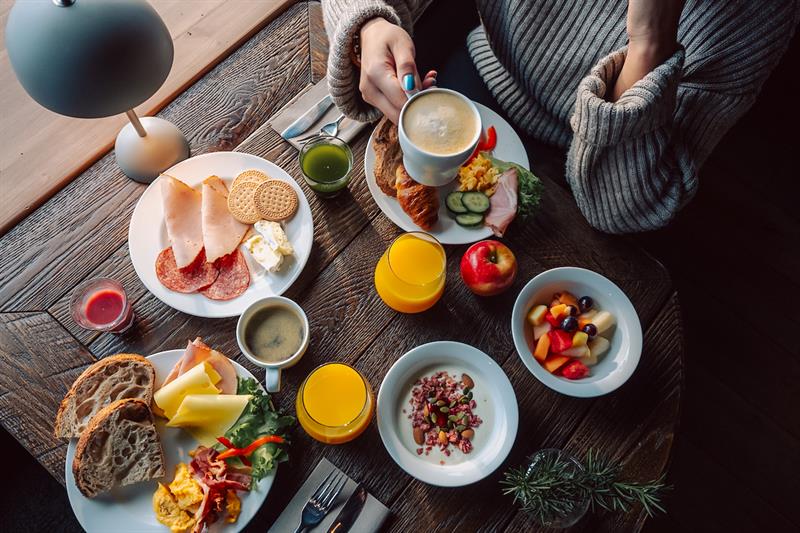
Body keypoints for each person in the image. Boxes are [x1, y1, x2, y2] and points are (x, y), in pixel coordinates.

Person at [320, 0, 799, 233]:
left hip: (586, 181)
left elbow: (620, 208)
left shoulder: (762, 17)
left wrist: (650, 42)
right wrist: (367, 21)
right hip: (471, 79)